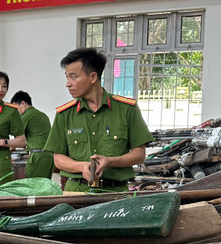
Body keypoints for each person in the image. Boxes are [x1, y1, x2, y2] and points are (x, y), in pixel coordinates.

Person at [45, 48, 153, 192]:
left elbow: (139, 154)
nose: (68, 84)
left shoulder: (127, 109)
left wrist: (109, 162)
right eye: (67, 77)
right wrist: (82, 166)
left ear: (93, 77)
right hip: (76, 192)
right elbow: (58, 159)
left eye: (73, 77)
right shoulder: (65, 114)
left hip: (115, 193)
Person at [11, 90, 53, 179]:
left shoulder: (26, 115)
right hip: (49, 156)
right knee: (45, 186)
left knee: (33, 185)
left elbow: (18, 140)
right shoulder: (43, 115)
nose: (15, 112)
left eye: (15, 107)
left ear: (23, 103)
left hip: (37, 156)